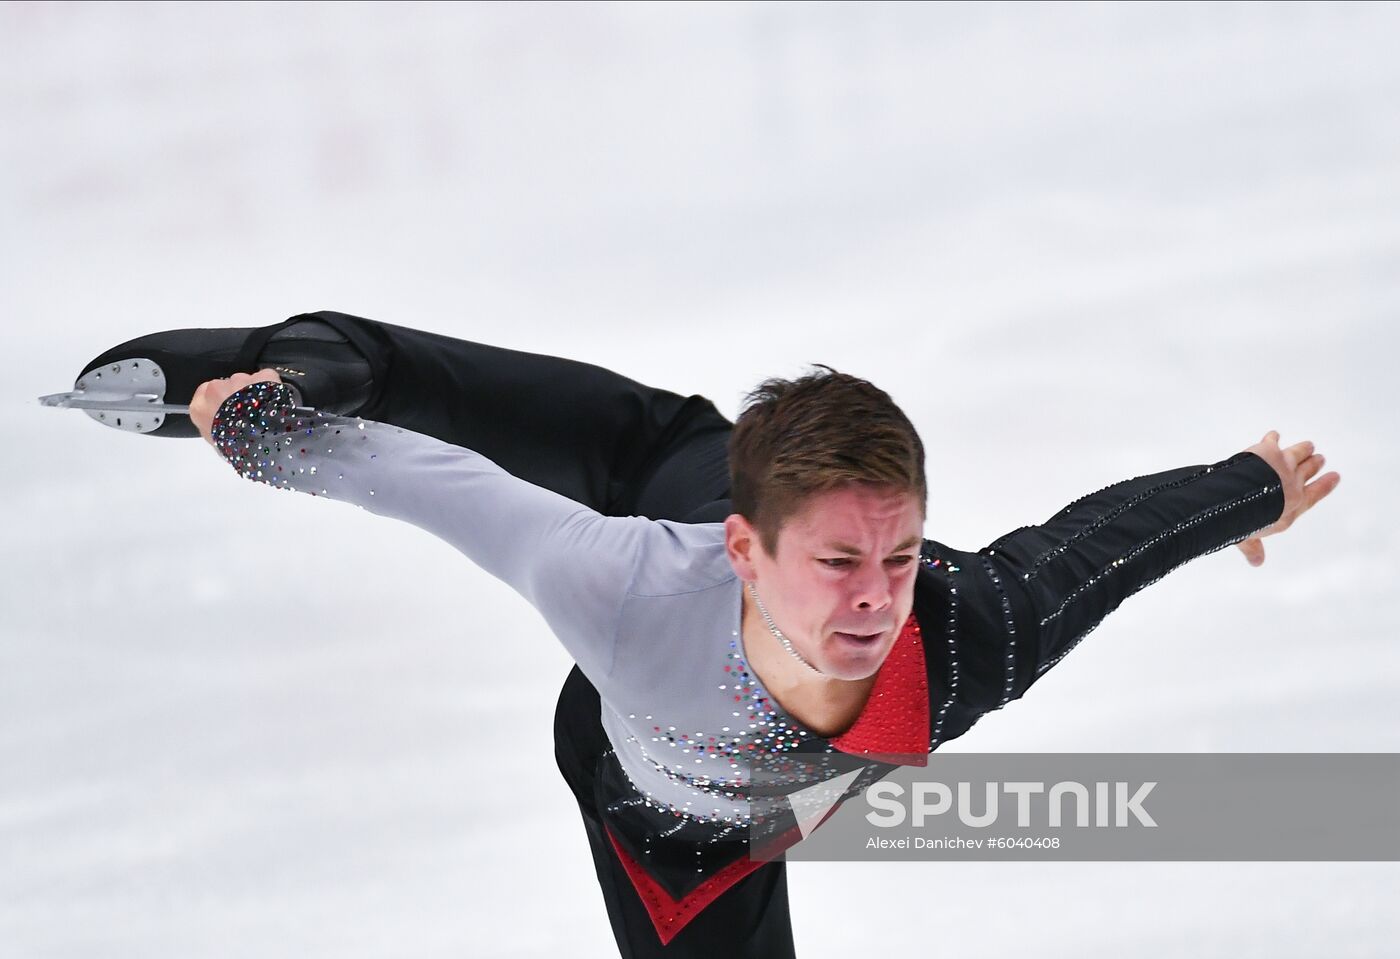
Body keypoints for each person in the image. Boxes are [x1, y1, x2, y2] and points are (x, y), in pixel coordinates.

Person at [75, 310, 1339, 957]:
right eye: (840, 561)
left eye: (897, 556)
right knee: (478, 399)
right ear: (750, 546)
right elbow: (436, 481)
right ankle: (286, 360)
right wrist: (268, 427)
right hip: (649, 649)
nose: (874, 599)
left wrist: (1249, 486)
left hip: (698, 846)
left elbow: (1095, 549)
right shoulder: (624, 585)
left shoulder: (962, 636)